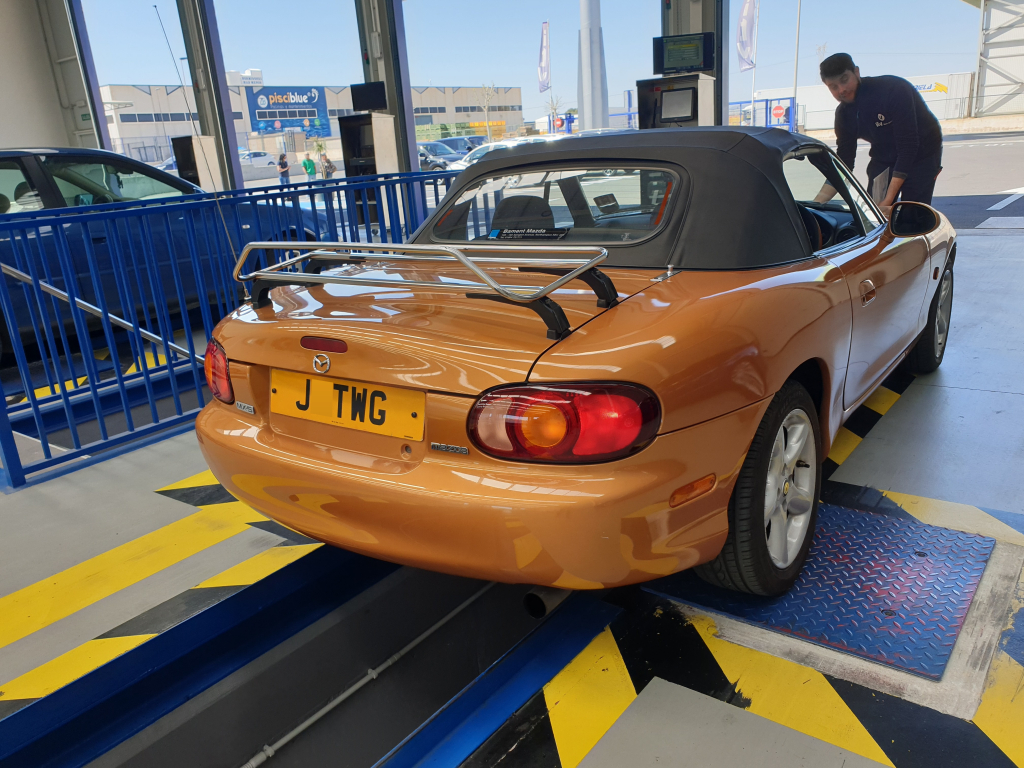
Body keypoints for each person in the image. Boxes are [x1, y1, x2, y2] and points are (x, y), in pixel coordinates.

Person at [816, 53, 942, 215]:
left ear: (857, 72)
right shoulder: (844, 115)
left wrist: (887, 201)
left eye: (844, 79)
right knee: (874, 212)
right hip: (884, 154)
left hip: (923, 153)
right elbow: (844, 163)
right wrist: (815, 204)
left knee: (911, 214)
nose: (841, 90)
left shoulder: (892, 90)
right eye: (833, 86)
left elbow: (908, 148)